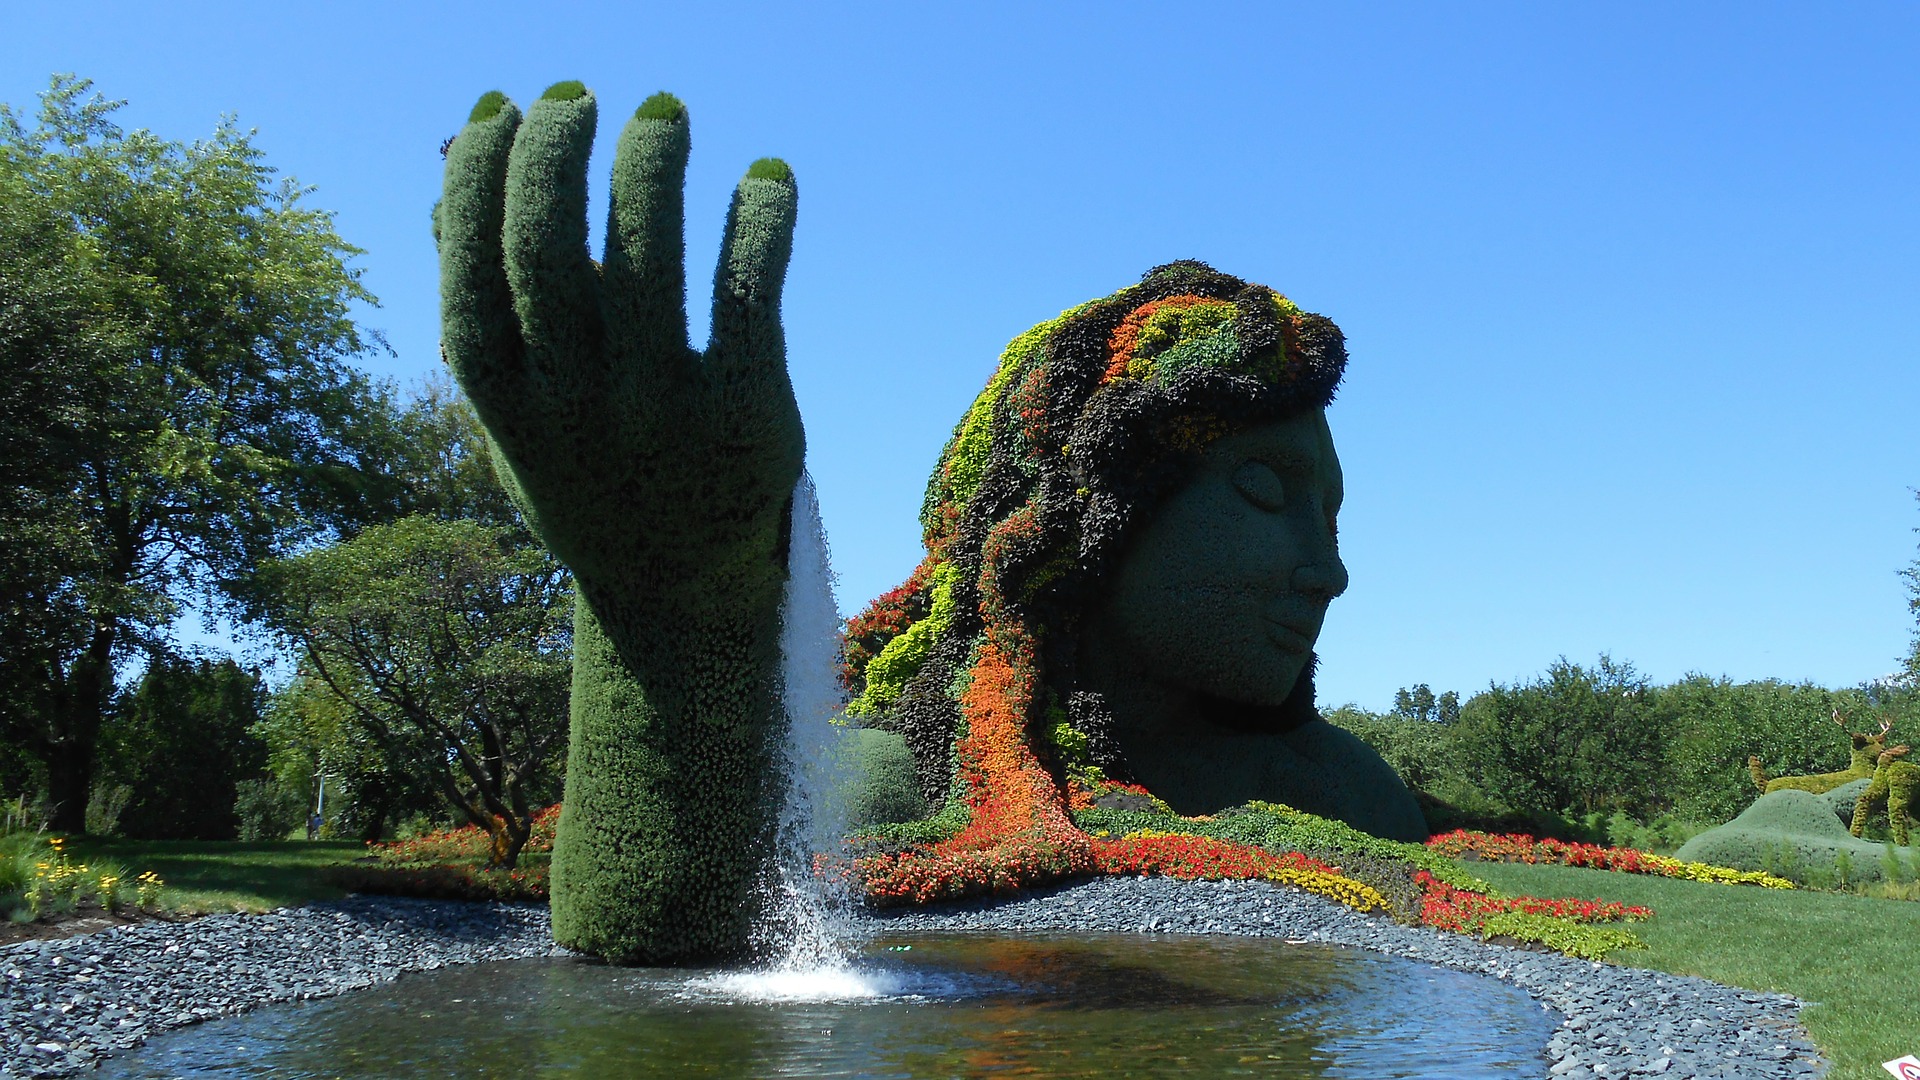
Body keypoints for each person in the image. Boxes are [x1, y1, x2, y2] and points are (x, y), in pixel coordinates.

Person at [842, 260, 1427, 843]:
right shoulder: (884, 785)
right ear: (1082, 511)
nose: (1330, 573)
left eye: (1331, 522)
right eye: (1263, 489)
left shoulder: (1345, 792)